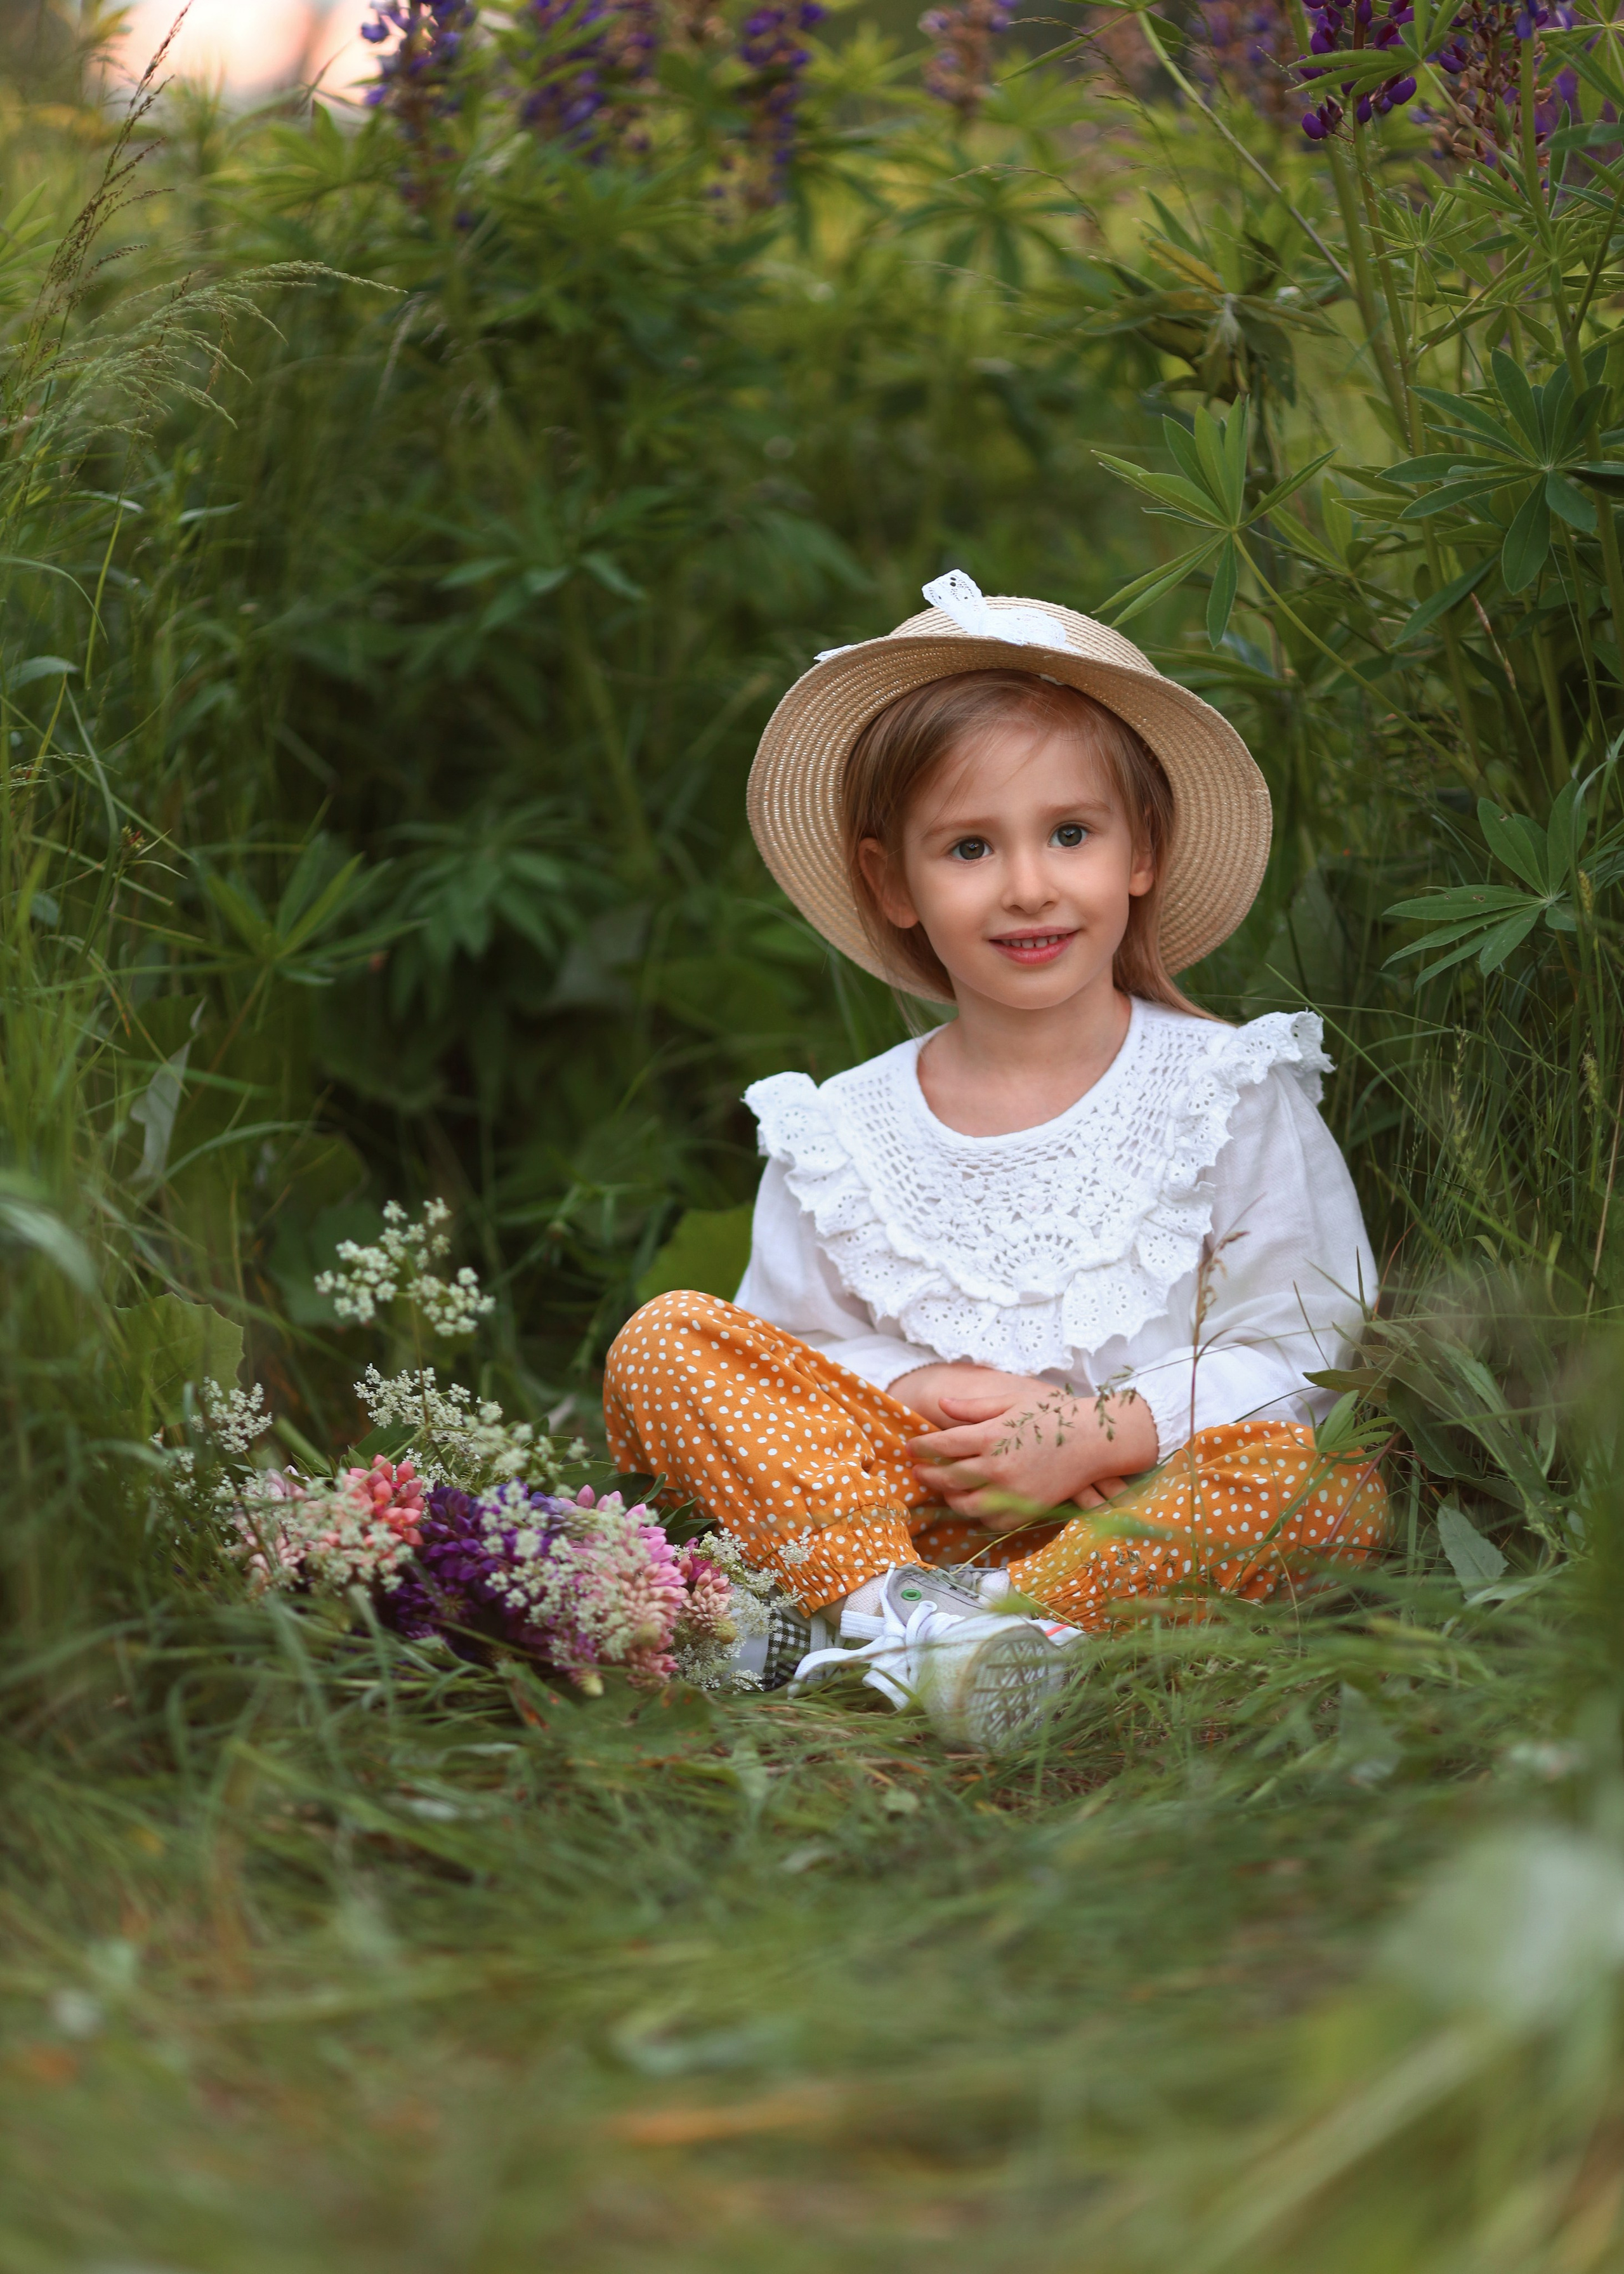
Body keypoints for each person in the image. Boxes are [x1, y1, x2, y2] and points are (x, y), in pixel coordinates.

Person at [603, 572, 1384, 1747]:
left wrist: (1108, 1427)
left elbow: (1313, 1338)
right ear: (890, 882)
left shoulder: (1224, 1089)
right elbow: (791, 1354)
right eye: (969, 846)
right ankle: (893, 1618)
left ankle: (1000, 1632)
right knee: (667, 1339)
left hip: (1133, 1503)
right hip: (903, 1510)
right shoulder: (845, 1131)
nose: (1028, 886)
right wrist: (920, 1389)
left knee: (1328, 1487)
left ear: (1142, 851)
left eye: (1070, 834)